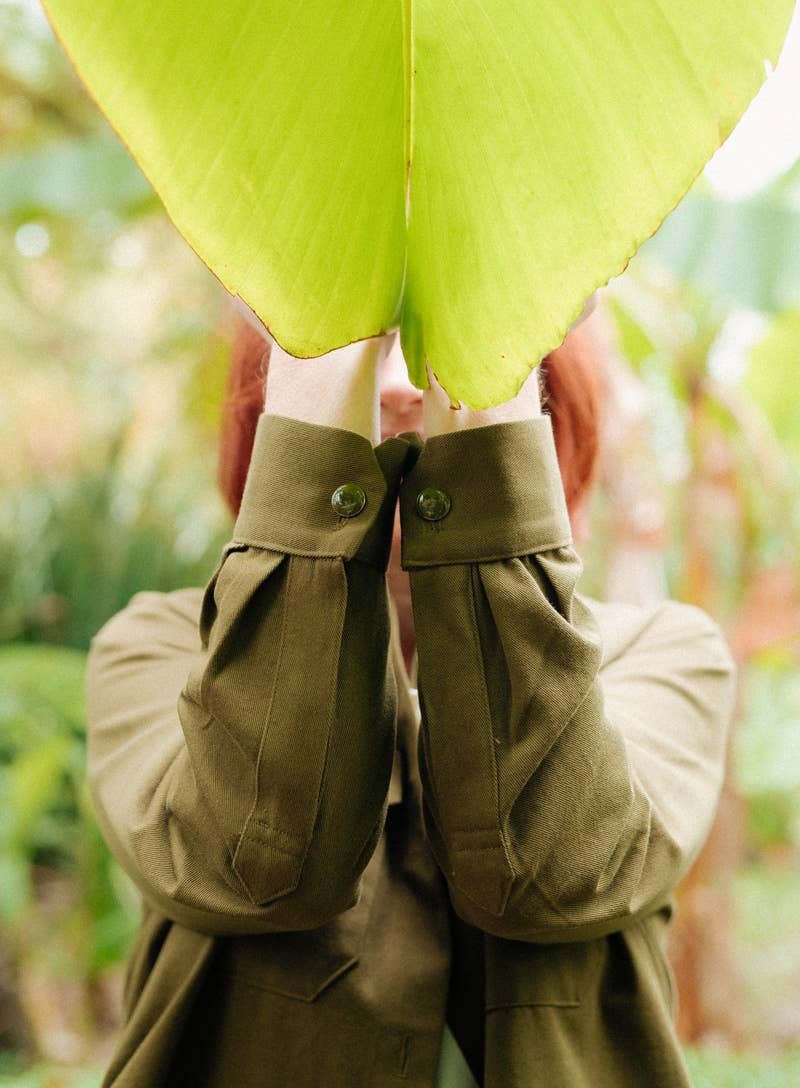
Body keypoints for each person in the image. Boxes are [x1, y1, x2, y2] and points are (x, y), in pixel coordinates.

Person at [86, 294, 736, 1087]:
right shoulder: (154, 644)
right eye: (367, 350)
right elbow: (256, 867)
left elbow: (552, 875)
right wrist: (315, 390)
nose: (398, 387)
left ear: (551, 422)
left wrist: (498, 333)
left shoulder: (662, 652)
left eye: (424, 348)